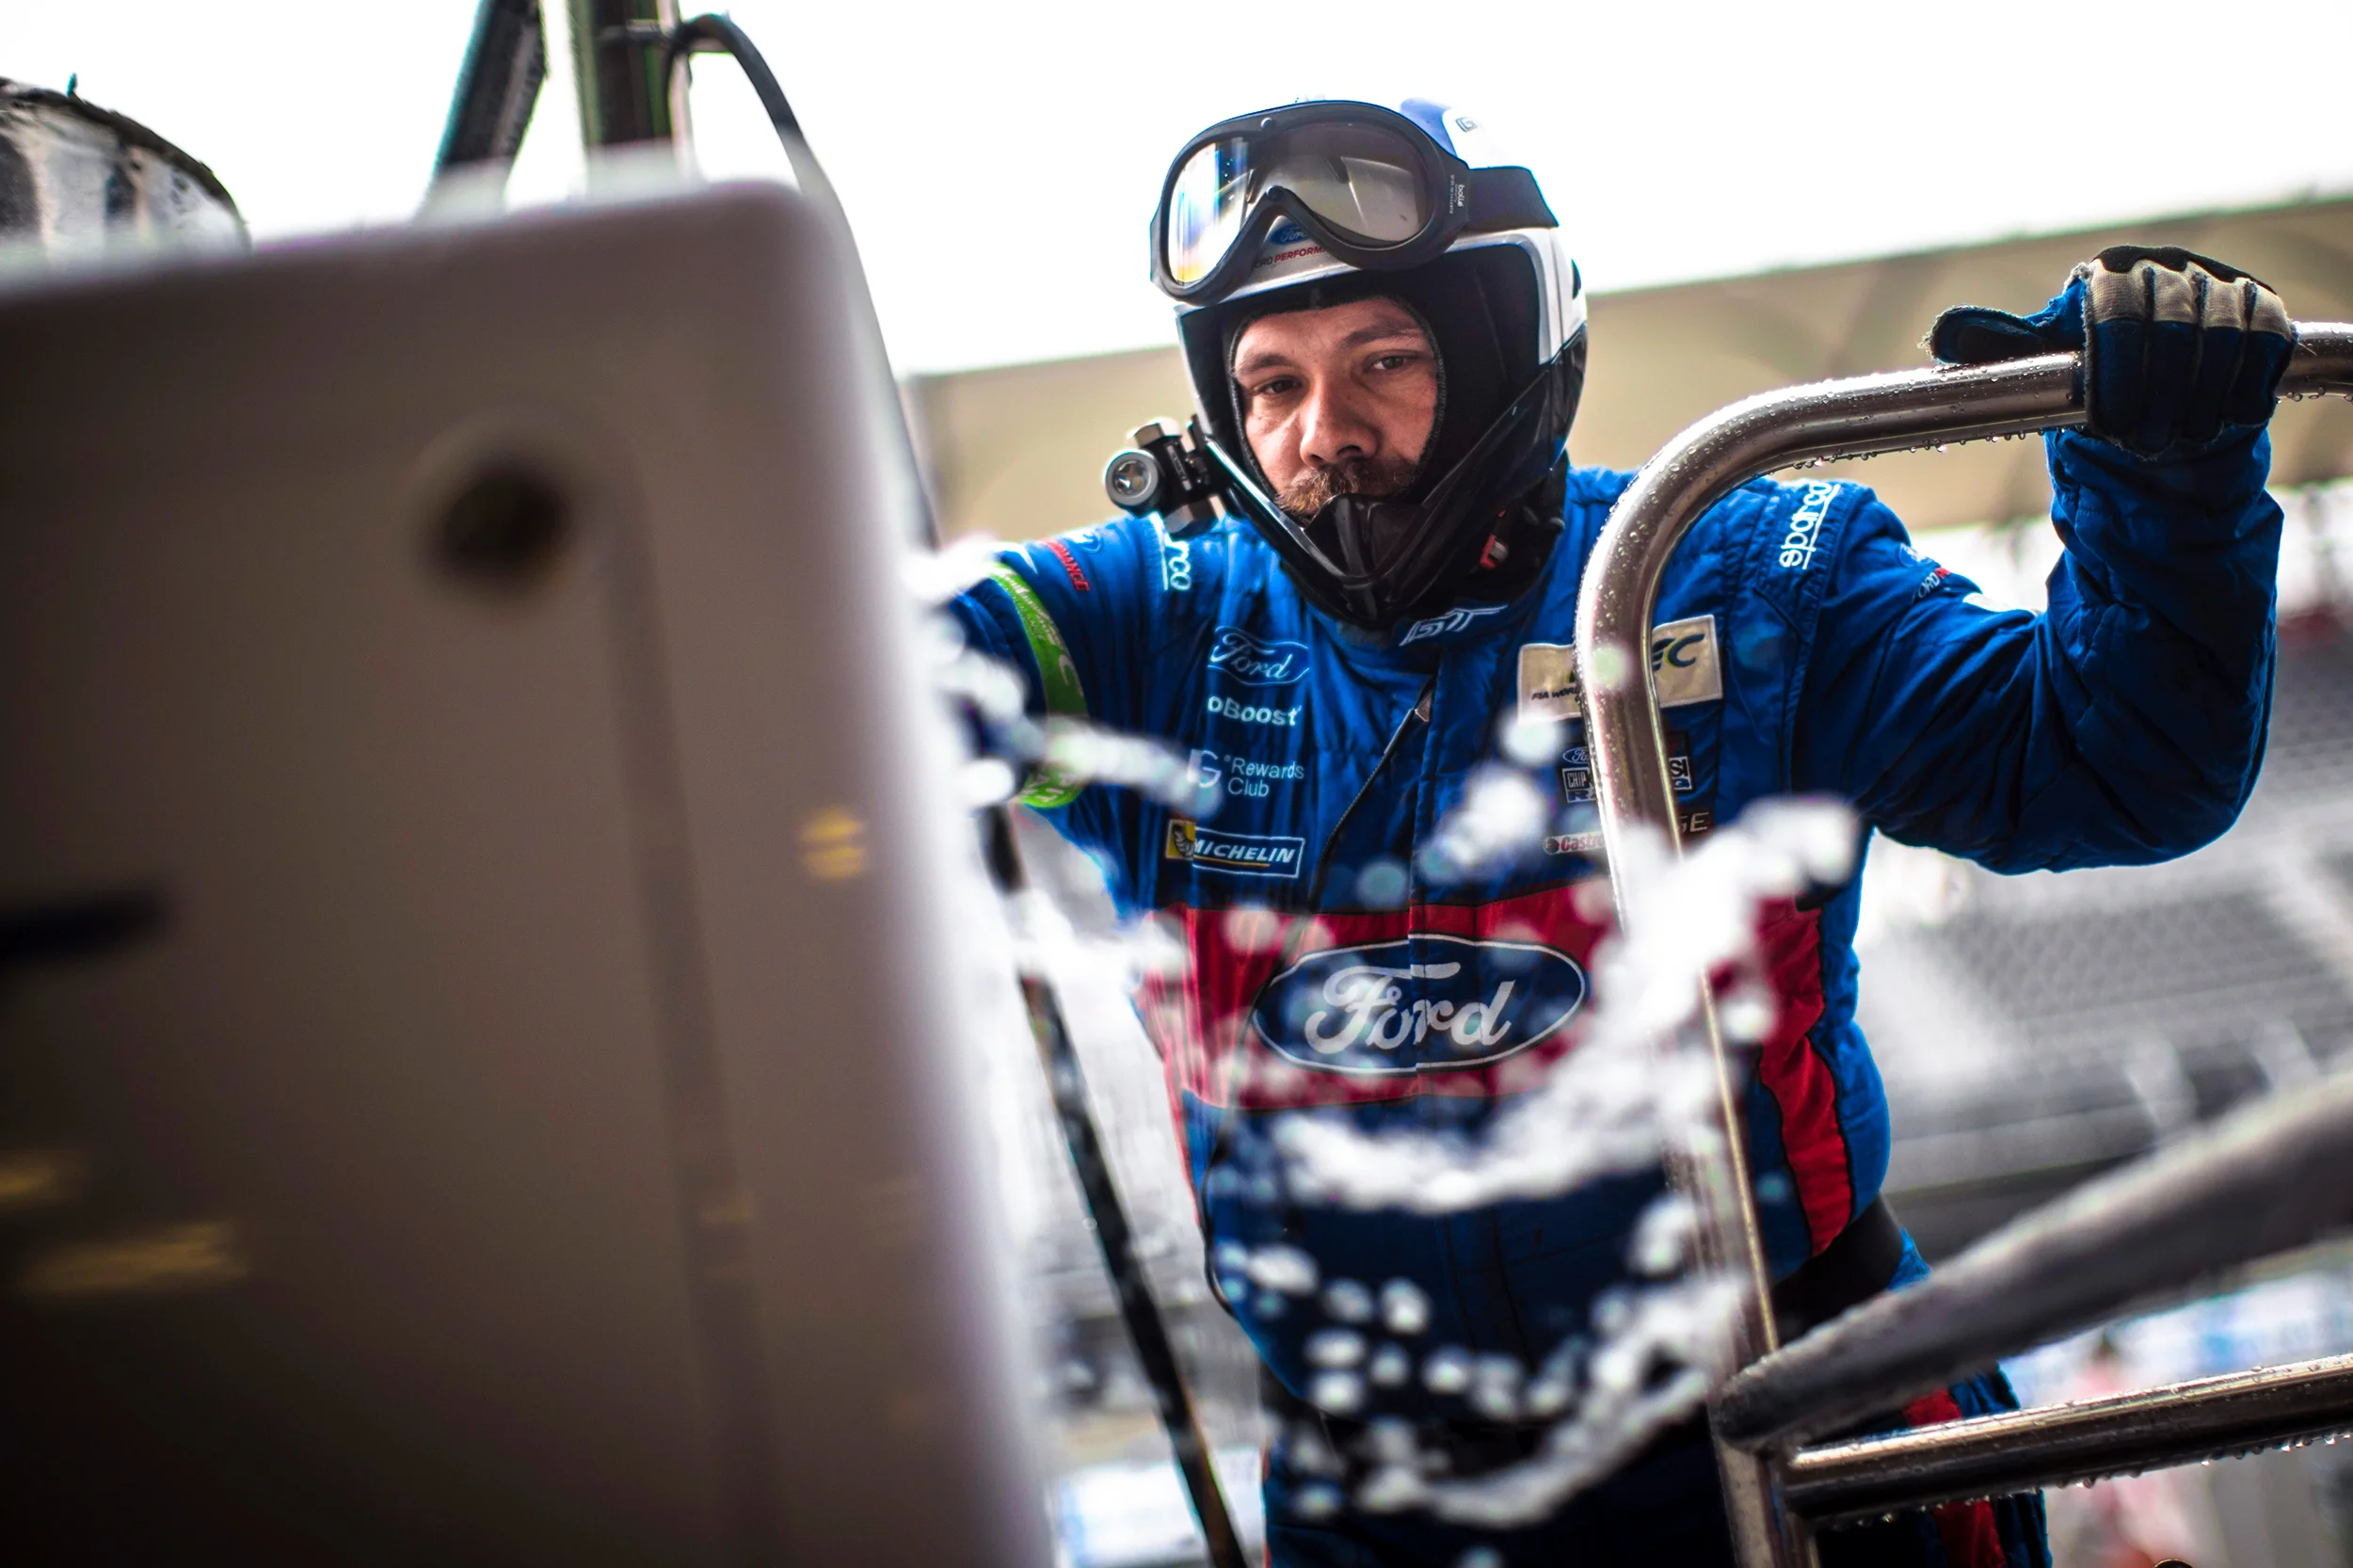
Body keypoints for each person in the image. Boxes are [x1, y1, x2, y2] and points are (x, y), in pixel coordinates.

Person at [949, 96, 2293, 1567]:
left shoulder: (1742, 566)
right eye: (1268, 384)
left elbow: (2124, 767)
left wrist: (2164, 469)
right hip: (1383, 1512)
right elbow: (851, 689)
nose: (1319, 434)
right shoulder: (1150, 619)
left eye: (1381, 362)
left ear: (1505, 348)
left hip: (1800, 1445)